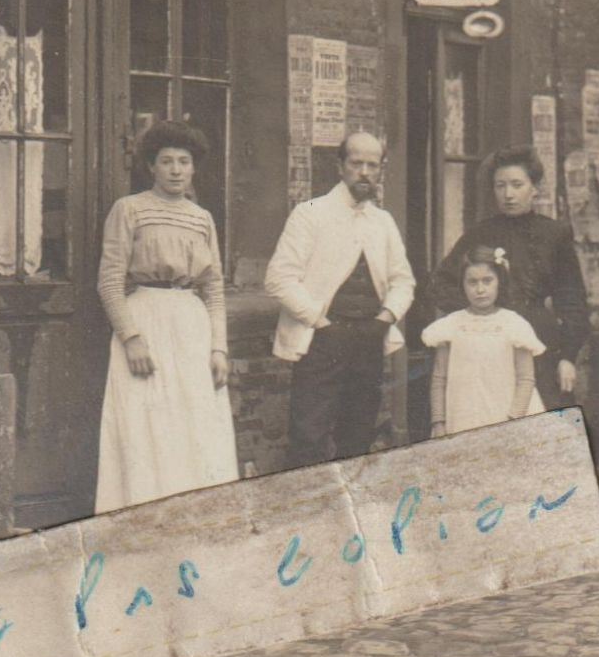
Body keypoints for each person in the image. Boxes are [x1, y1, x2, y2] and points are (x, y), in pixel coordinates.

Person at [95, 121, 237, 513]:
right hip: (146, 321)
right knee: (146, 425)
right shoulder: (129, 210)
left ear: (194, 168)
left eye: (184, 162)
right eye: (167, 161)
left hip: (191, 328)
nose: (176, 170)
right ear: (151, 167)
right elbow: (108, 282)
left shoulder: (201, 218)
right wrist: (131, 338)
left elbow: (213, 288)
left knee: (193, 427)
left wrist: (219, 349)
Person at [266, 130, 416, 468]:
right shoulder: (310, 214)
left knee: (358, 434)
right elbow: (278, 278)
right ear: (340, 166)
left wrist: (385, 318)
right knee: (309, 436)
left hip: (368, 339)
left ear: (381, 171)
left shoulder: (383, 221)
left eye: (372, 165)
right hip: (322, 340)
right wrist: (319, 321)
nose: (364, 172)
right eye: (356, 163)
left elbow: (402, 280)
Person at [431, 146, 588, 409]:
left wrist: (568, 357)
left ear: (534, 188)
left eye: (517, 185)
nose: (508, 194)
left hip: (541, 343)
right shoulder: (481, 233)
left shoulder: (555, 234)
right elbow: (439, 284)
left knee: (545, 424)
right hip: (490, 345)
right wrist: (479, 312)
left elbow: (573, 299)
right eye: (500, 186)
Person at [422, 245, 546, 436]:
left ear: (499, 282)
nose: (480, 290)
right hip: (462, 417)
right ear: (462, 285)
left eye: (487, 281)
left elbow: (526, 379)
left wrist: (513, 420)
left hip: (506, 418)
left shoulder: (513, 324)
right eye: (472, 282)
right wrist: (438, 422)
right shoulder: (451, 326)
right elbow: (439, 378)